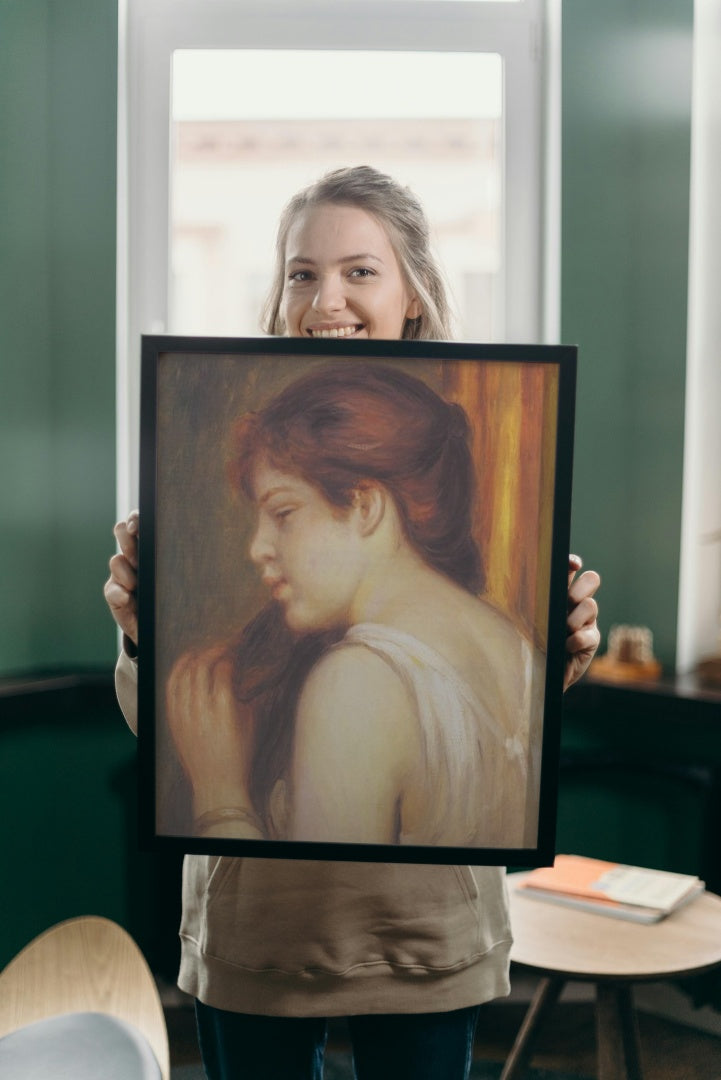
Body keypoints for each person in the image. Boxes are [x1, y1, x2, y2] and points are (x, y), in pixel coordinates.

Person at [105, 165, 601, 1080]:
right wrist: (144, 634)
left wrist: (562, 658)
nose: (323, 297)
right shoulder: (452, 615)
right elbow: (164, 736)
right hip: (285, 946)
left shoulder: (363, 670)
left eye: (358, 271)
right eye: (300, 272)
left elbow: (506, 749)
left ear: (412, 291)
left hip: (391, 941)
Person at [167, 361, 544, 849]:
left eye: (283, 513)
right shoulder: (516, 647)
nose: (257, 547)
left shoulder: (359, 680)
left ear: (366, 507)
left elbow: (310, 911)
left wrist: (220, 794)